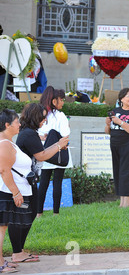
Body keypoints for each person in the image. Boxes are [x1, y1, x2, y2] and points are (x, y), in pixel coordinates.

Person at [11, 103, 68, 263]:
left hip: (27, 180)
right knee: (22, 215)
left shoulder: (29, 133)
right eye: (42, 117)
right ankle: (17, 253)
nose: (44, 120)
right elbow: (42, 155)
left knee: (29, 213)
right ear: (35, 117)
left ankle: (20, 250)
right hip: (22, 181)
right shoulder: (28, 134)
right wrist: (59, 145)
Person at [0, 109, 32, 274]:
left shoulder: (8, 142)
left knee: (3, 227)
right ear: (7, 125)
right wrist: (16, 193)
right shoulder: (4, 144)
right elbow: (4, 170)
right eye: (16, 122)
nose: (19, 124)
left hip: (7, 191)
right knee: (1, 228)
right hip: (5, 191)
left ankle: (1, 261)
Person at [105, 88, 129, 207]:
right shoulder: (115, 111)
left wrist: (120, 122)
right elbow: (108, 131)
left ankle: (126, 202)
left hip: (128, 145)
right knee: (117, 171)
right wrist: (107, 124)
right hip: (115, 144)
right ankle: (121, 201)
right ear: (121, 99)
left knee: (127, 172)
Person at [37, 87, 72, 217]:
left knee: (44, 182)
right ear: (53, 101)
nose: (63, 102)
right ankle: (56, 213)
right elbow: (65, 134)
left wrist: (42, 137)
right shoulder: (60, 116)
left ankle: (39, 213)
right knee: (58, 182)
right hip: (58, 152)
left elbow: (36, 132)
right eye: (61, 100)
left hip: (44, 152)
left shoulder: (40, 114)